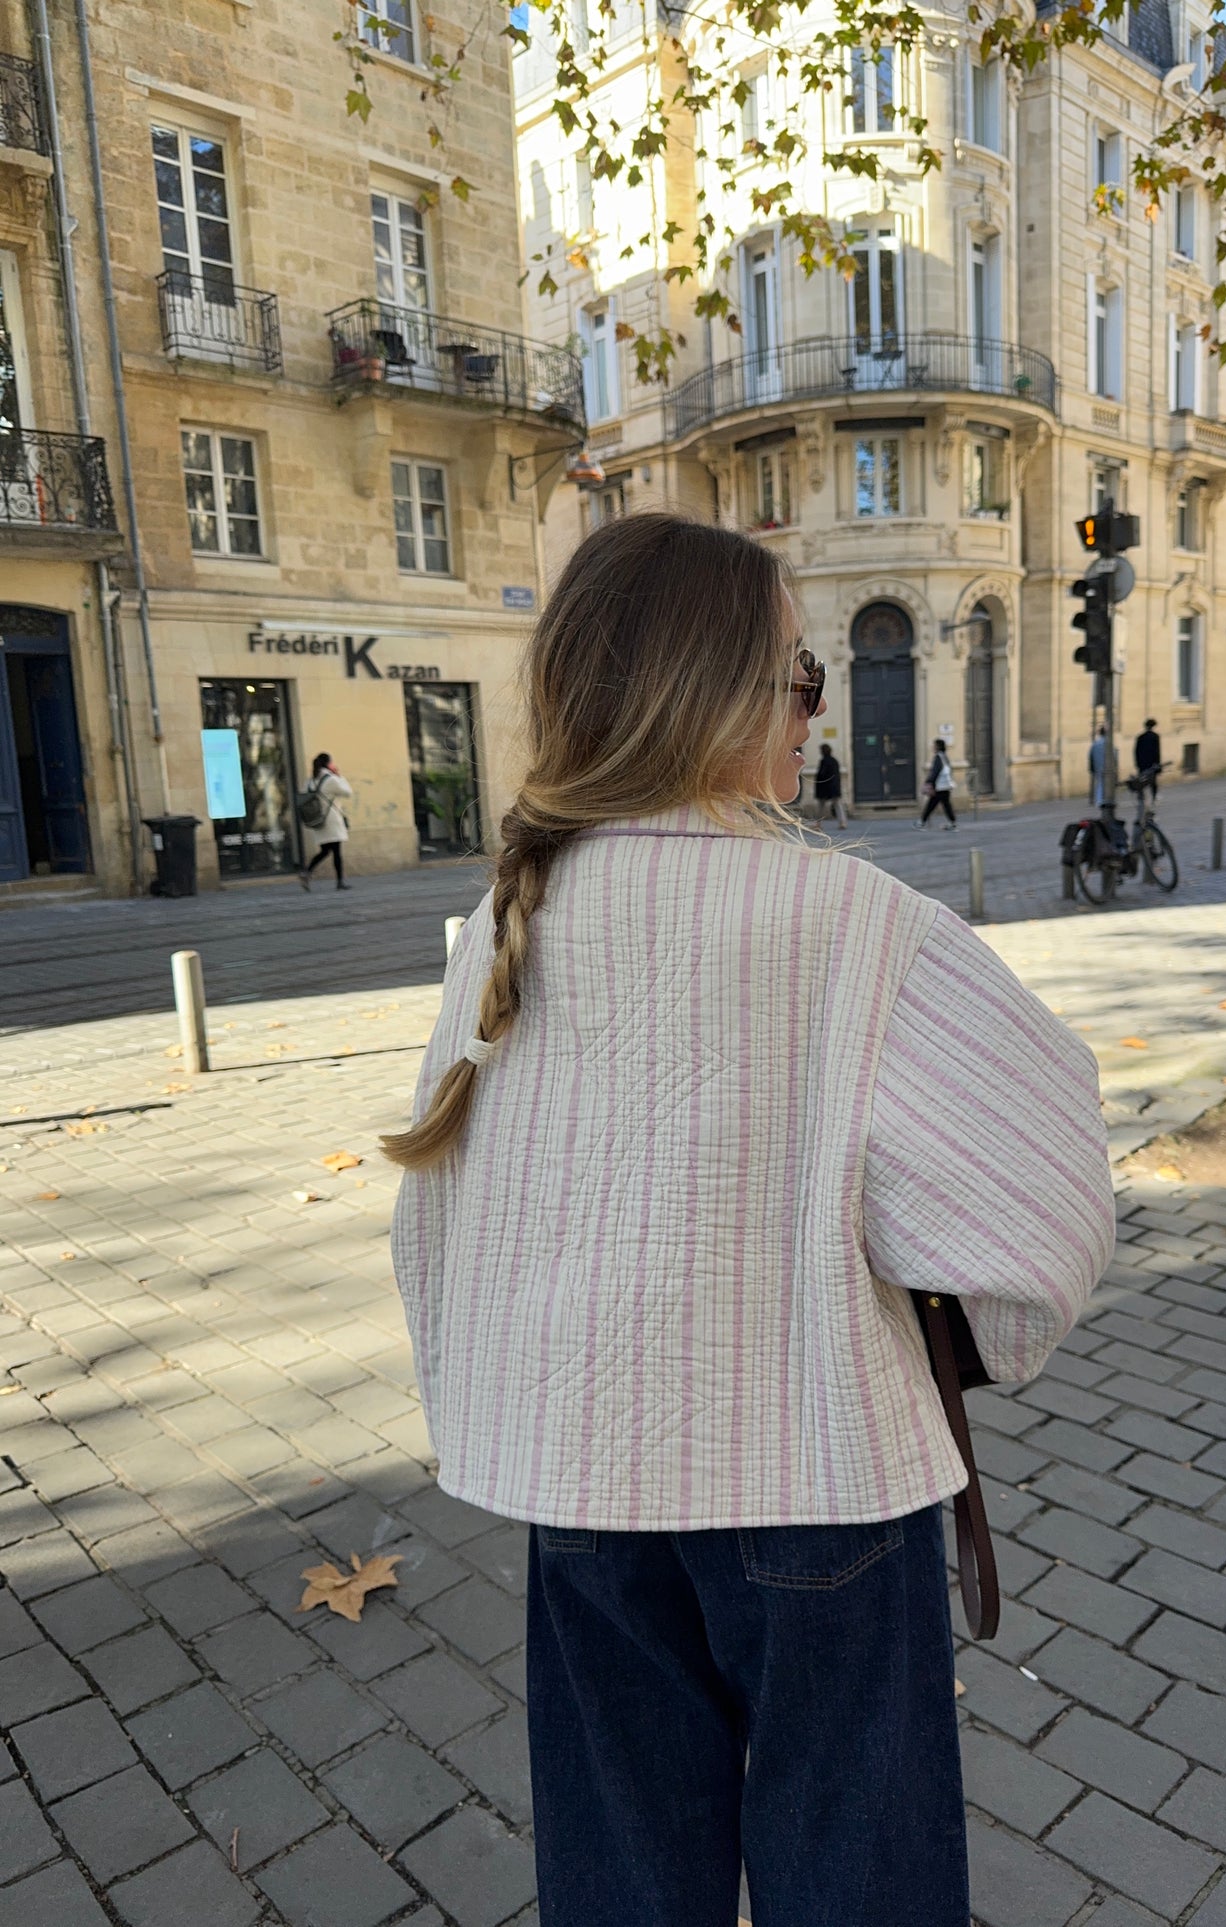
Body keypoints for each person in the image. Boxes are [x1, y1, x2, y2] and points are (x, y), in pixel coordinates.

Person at [385, 513, 1114, 1927]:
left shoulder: (506, 918)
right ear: (711, 691)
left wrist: (503, 1401)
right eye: (797, 676)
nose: (811, 711)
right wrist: (965, 1324)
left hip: (583, 1483)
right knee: (860, 1882)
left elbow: (436, 1224)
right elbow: (1045, 1195)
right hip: (820, 1472)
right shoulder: (855, 923)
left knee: (620, 1875)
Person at [299, 753, 352, 891]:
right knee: (335, 851)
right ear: (328, 764)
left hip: (318, 820)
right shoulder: (331, 780)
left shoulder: (310, 781)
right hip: (332, 820)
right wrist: (339, 775)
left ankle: (307, 872)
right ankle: (340, 882)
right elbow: (348, 792)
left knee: (325, 850)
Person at [918, 737, 957, 828]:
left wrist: (929, 781)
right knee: (946, 805)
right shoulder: (945, 756)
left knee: (931, 805)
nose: (932, 747)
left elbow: (935, 771)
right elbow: (948, 770)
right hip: (946, 785)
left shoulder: (938, 757)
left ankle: (921, 822)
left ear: (938, 747)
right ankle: (952, 822)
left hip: (939, 786)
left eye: (934, 745)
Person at [813, 740, 847, 827]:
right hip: (834, 787)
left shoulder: (824, 761)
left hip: (824, 787)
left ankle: (818, 823)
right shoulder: (834, 761)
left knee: (821, 806)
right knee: (838, 805)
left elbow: (821, 775)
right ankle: (842, 822)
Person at [1133, 718, 1161, 800]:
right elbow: (1157, 751)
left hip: (1142, 763)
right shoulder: (1155, 736)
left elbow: (1136, 751)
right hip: (1152, 763)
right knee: (1153, 781)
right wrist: (1157, 764)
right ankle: (1154, 796)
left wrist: (1137, 762)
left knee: (1142, 780)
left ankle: (1141, 795)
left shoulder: (1140, 737)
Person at [1090, 724, 1110, 806]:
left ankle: (1099, 800)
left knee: (1100, 783)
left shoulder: (1095, 744)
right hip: (1107, 766)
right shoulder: (1108, 743)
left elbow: (1091, 756)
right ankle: (1103, 800)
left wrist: (1092, 768)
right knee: (1106, 784)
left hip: (1098, 766)